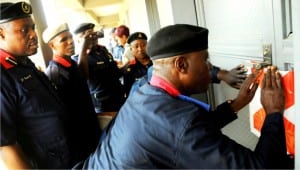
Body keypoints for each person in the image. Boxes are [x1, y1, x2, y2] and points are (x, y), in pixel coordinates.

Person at [80, 24, 291, 169]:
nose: (209, 67)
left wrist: (236, 104)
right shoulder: (180, 121)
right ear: (181, 64)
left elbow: (183, 135)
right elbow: (262, 167)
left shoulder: (144, 91)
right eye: (205, 60)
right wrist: (273, 111)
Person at [0, 1, 84, 169]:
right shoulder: (3, 75)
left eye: (33, 27)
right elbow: (6, 147)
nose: (33, 35)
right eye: (24, 30)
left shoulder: (24, 64)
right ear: (1, 34)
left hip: (68, 156)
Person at [42, 23, 101, 164]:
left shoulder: (70, 64)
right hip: (78, 136)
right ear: (52, 45)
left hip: (89, 126)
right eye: (63, 40)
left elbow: (83, 76)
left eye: (70, 38)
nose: (70, 42)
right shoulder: (55, 72)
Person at [72, 23, 125, 113]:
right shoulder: (78, 58)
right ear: (78, 40)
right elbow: (83, 76)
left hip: (118, 98)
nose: (93, 38)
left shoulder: (103, 51)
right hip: (103, 105)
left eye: (94, 34)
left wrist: (127, 66)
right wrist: (84, 48)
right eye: (88, 36)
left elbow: (115, 73)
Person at [122, 32, 152, 97]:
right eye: (136, 46)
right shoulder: (129, 69)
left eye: (143, 45)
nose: (140, 49)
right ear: (131, 49)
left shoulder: (157, 62)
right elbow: (129, 93)